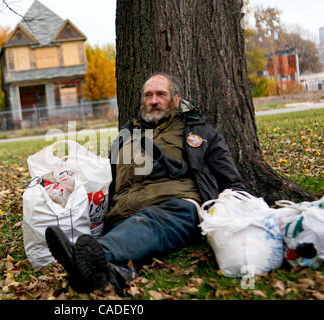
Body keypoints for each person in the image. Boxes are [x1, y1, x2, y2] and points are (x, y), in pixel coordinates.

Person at [45, 73, 246, 294]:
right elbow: (108, 179)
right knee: (131, 227)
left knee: (152, 221)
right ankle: (106, 273)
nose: (153, 101)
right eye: (148, 95)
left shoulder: (197, 130)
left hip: (175, 207)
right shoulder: (125, 135)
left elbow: (231, 179)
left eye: (161, 94)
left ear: (176, 100)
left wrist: (237, 214)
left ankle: (93, 254)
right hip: (123, 214)